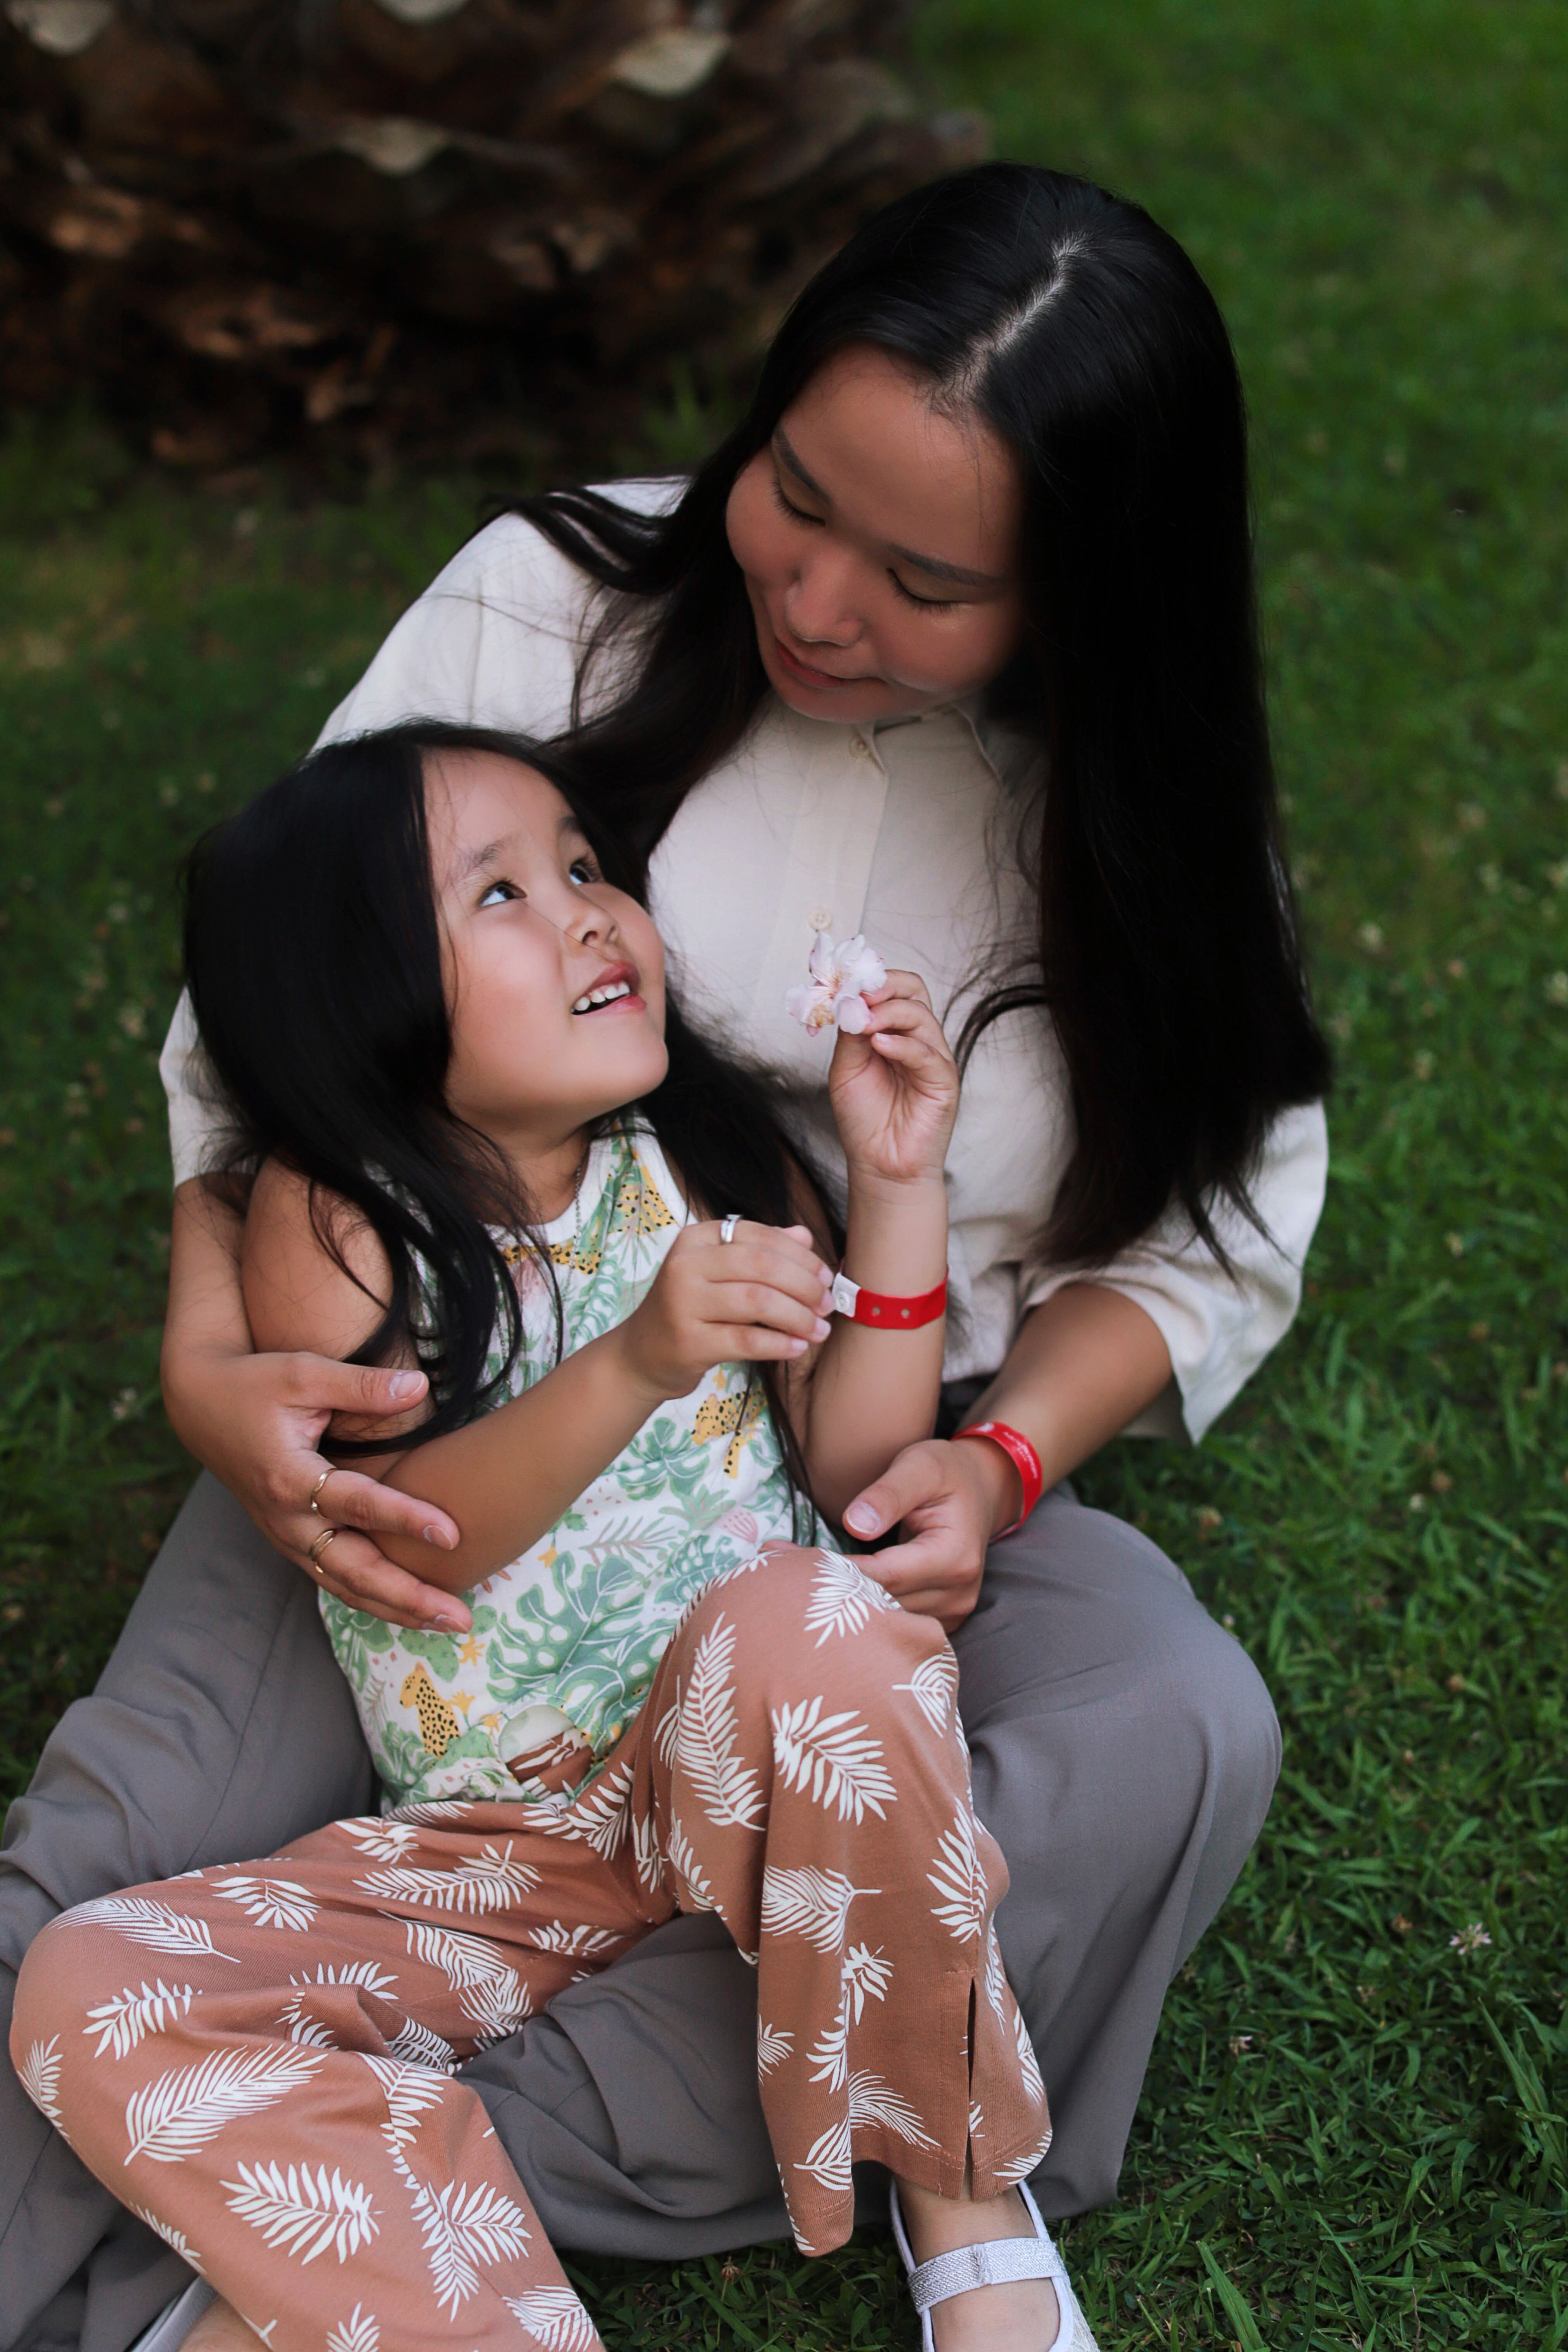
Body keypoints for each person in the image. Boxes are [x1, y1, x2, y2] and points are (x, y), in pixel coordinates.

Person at [0, 161, 1327, 2352]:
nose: (813, 596)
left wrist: (997, 1469)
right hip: (413, 1516)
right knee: (97, 1898)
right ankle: (519, 2145)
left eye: (924, 577)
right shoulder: (551, 605)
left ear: (1087, 595)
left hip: (832, 1511)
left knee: (1167, 1726)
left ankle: (516, 2199)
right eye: (795, 493)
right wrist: (206, 1355)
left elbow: (1207, 1226)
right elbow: (289, 1013)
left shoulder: (1138, 838)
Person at [17, 723, 1097, 2352]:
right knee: (85, 1984)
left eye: (587, 865)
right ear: (361, 994)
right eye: (503, 894)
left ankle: (962, 2197)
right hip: (488, 1860)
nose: (592, 911)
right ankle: (457, 2300)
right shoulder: (343, 1220)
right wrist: (640, 1359)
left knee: (807, 1616)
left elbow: (864, 1470)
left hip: (735, 1775)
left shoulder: (710, 1158)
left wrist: (900, 1187)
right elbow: (413, 1536)